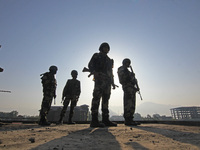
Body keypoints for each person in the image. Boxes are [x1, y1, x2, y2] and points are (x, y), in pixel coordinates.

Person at [88, 42, 117, 127]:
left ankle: (105, 119)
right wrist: (94, 72)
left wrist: (113, 82)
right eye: (104, 47)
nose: (106, 49)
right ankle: (94, 120)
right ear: (101, 48)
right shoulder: (96, 55)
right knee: (96, 98)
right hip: (100, 80)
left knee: (106, 100)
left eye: (107, 47)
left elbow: (111, 72)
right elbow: (90, 65)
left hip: (107, 82)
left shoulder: (109, 60)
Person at [117, 58, 140, 126]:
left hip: (132, 88)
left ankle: (131, 118)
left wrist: (135, 82)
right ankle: (127, 119)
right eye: (127, 63)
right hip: (127, 87)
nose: (128, 64)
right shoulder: (121, 69)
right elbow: (123, 78)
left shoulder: (128, 71)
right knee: (128, 103)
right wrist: (131, 75)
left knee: (132, 104)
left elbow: (133, 80)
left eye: (129, 63)